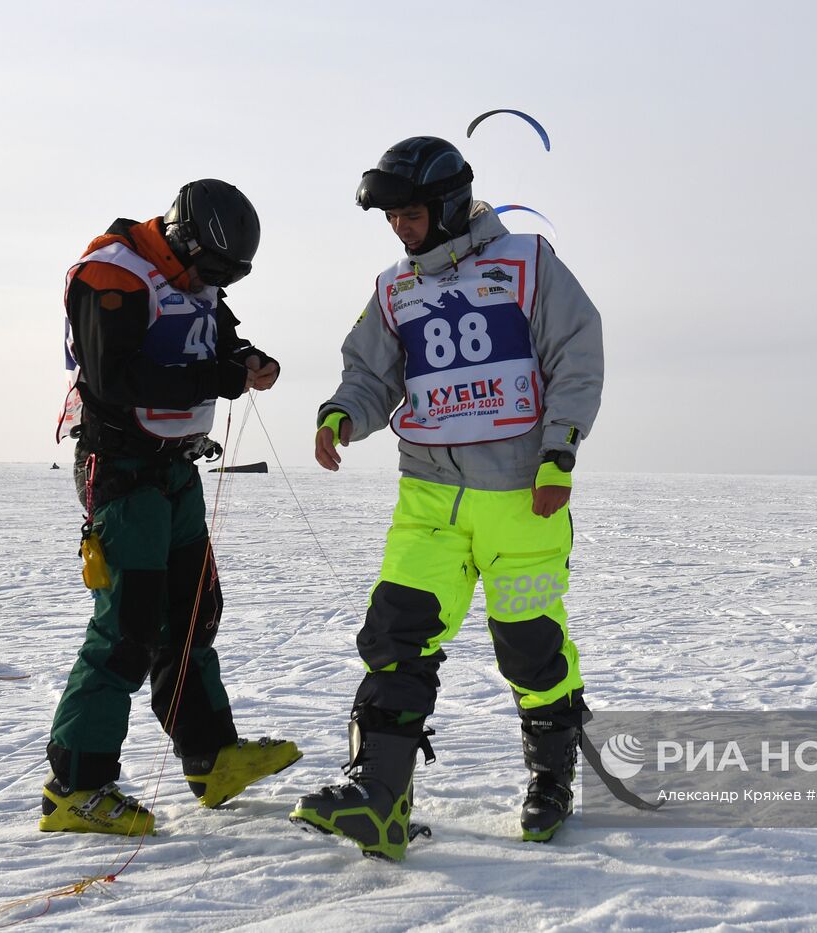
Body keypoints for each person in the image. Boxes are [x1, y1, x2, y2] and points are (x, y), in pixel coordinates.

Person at [290, 137, 604, 860]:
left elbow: (575, 355)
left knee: (530, 650)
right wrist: (343, 411)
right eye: (391, 217)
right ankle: (379, 796)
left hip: (525, 498)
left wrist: (560, 449)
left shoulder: (528, 264)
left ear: (450, 204)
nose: (399, 228)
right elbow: (371, 373)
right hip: (428, 496)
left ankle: (550, 777)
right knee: (396, 634)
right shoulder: (395, 289)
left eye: (410, 214)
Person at [43, 180, 301, 835]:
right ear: (185, 239)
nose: (211, 283)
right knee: (128, 627)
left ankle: (210, 756)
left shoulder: (199, 274)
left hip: (176, 467)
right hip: (123, 469)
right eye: (209, 271)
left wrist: (248, 359)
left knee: (192, 615)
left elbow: (219, 341)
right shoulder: (113, 274)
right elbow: (114, 376)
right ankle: (76, 785)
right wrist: (217, 377)